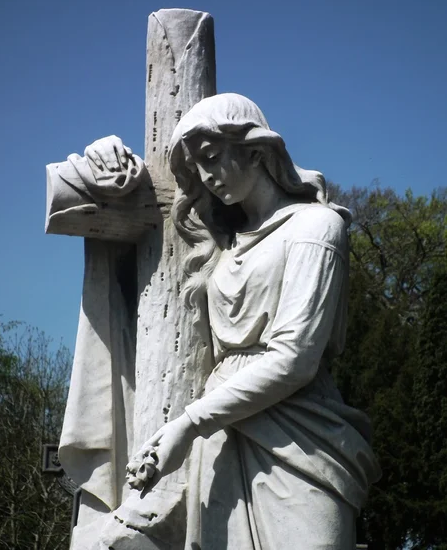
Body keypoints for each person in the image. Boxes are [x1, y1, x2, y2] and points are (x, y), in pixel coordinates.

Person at [125, 93, 380, 549]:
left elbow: (295, 359)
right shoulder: (221, 248)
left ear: (256, 151)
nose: (204, 177)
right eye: (196, 168)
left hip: (301, 439)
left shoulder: (315, 227)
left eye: (210, 158)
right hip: (223, 439)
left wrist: (188, 424)